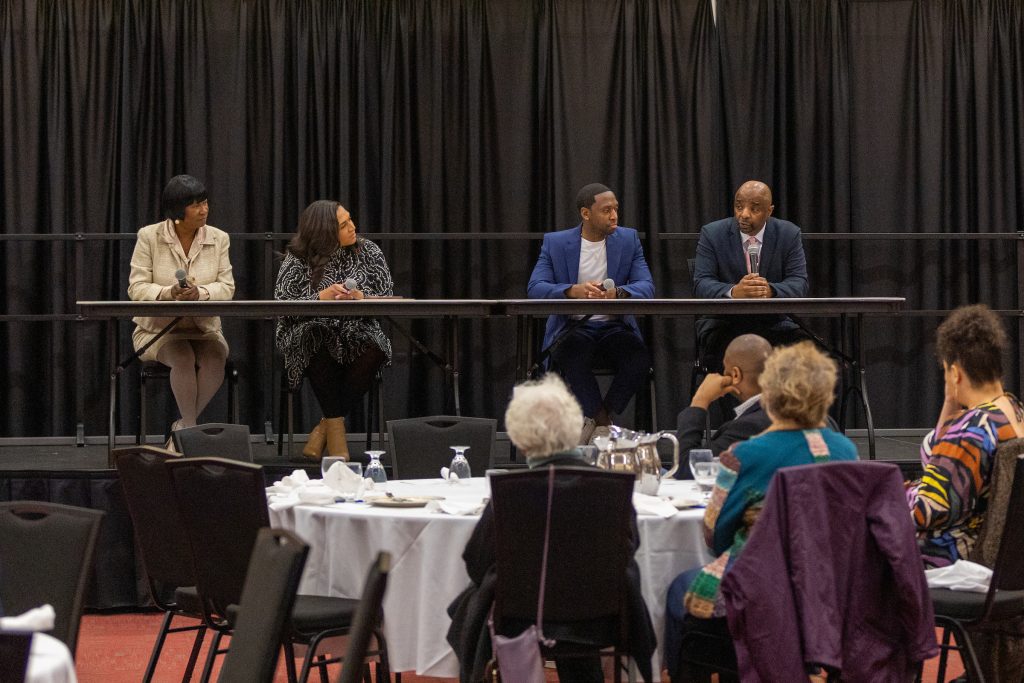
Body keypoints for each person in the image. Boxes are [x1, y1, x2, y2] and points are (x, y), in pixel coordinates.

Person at [663, 342, 857, 682]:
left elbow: (715, 536)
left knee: (680, 587)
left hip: (765, 597)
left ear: (771, 392)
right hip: (834, 592)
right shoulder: (846, 450)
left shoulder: (747, 455)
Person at [446, 374, 656, 683]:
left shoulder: (511, 491)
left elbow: (477, 562)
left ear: (519, 436)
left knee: (470, 602)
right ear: (574, 426)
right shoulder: (609, 487)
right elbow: (628, 548)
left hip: (519, 619)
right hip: (602, 619)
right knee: (573, 624)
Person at [527, 183, 655, 443]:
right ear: (586, 214)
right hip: (574, 327)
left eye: (616, 209)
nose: (614, 216)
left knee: (638, 358)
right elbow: (535, 288)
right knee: (572, 354)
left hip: (614, 326)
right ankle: (605, 427)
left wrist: (618, 293)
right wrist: (571, 291)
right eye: (606, 210)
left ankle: (598, 422)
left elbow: (647, 286)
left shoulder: (628, 240)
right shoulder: (556, 243)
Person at [275, 199, 393, 461]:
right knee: (316, 335)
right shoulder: (298, 257)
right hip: (305, 330)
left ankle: (327, 426)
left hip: (355, 329)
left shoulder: (369, 251)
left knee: (375, 345)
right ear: (326, 231)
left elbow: (386, 294)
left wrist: (361, 296)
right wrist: (320, 298)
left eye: (350, 220)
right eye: (344, 224)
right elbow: (282, 303)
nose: (353, 227)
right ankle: (338, 441)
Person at [909, 304, 1024, 569]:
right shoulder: (1012, 409)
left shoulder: (972, 429)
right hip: (1004, 561)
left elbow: (926, 511)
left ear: (955, 373)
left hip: (952, 555)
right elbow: (937, 457)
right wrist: (951, 400)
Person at [128, 175, 235, 436]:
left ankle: (184, 429)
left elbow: (227, 287)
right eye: (196, 205)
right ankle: (190, 433)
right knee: (183, 357)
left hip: (204, 329)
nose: (204, 210)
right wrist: (168, 292)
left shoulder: (219, 238)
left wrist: (202, 293)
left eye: (206, 203)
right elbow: (136, 288)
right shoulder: (149, 237)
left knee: (215, 358)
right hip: (158, 331)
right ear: (177, 211)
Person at [693, 180, 808, 374]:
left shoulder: (789, 234)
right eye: (739, 206)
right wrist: (733, 292)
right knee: (736, 364)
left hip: (775, 323)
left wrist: (770, 290)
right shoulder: (712, 234)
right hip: (725, 324)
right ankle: (740, 406)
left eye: (754, 209)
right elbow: (701, 284)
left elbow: (800, 283)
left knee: (816, 363)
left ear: (769, 211)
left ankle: (780, 405)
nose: (744, 214)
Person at [675, 334, 772, 462]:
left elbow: (687, 467)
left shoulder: (749, 426)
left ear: (735, 375)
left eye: (724, 369)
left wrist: (700, 400)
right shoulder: (781, 409)